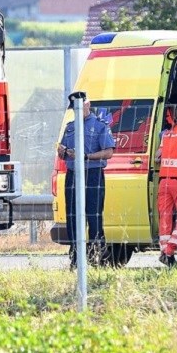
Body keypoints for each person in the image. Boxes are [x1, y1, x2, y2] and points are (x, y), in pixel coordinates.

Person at [56, 96, 116, 267]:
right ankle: (76, 257)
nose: (77, 110)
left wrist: (85, 156)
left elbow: (108, 152)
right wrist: (62, 151)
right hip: (73, 173)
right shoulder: (70, 127)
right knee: (73, 216)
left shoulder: (99, 126)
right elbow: (62, 151)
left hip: (92, 173)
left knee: (94, 215)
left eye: (80, 106)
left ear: (88, 104)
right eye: (74, 107)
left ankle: (99, 256)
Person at [157, 105, 177, 267]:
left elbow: (157, 156)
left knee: (165, 216)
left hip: (163, 181)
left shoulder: (166, 135)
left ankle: (164, 252)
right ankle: (169, 250)